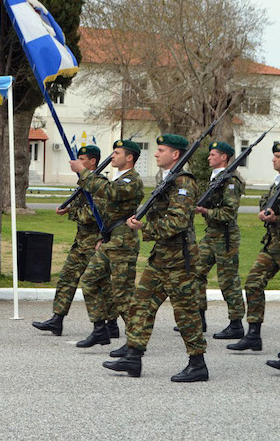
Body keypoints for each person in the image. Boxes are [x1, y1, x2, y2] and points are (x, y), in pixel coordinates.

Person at [104, 134, 208, 382]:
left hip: (179, 259)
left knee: (185, 312)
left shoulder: (184, 182)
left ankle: (198, 364)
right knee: (140, 304)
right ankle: (133, 356)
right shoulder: (168, 180)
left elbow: (178, 222)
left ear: (175, 155)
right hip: (161, 256)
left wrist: (144, 228)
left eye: (161, 150)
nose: (156, 153)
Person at [32, 145, 119, 337]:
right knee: (66, 278)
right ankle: (57, 319)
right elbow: (80, 205)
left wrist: (71, 213)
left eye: (82, 159)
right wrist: (67, 208)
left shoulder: (99, 184)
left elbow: (93, 214)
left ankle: (111, 323)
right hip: (80, 243)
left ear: (92, 162)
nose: (77, 162)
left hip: (96, 242)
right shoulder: (84, 182)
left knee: (101, 284)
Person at [69, 140, 144, 356]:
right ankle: (99, 329)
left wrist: (83, 172)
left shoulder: (131, 179)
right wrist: (103, 236)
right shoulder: (119, 177)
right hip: (111, 239)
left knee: (123, 294)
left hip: (124, 243)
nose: (112, 156)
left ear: (129, 157)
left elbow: (108, 192)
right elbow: (109, 212)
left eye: (117, 153)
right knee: (90, 280)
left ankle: (135, 342)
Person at [227, 141, 280, 371]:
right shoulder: (279, 182)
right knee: (253, 283)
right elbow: (268, 204)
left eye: (278, 156)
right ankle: (253, 334)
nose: (273, 159)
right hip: (273, 245)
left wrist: (277, 219)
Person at [192, 141, 245, 339]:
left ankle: (236, 324)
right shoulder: (215, 178)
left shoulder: (231, 181)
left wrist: (206, 211)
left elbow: (229, 212)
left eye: (213, 154)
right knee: (196, 272)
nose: (208, 157)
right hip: (210, 235)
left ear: (224, 157)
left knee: (228, 280)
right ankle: (199, 318)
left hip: (226, 238)